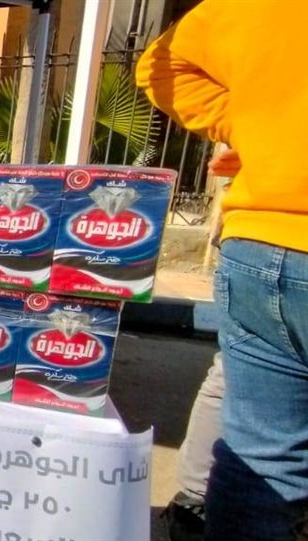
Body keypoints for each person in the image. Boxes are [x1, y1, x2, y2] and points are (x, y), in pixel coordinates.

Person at [137, 2, 308, 540]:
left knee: (259, 457)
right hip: (262, 244)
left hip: (261, 242)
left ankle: (196, 506)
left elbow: (159, 66)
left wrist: (260, 129)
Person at [162, 149, 237, 541]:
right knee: (232, 372)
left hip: (255, 232)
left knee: (232, 371)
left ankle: (194, 500)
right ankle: (196, 500)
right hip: (259, 231)